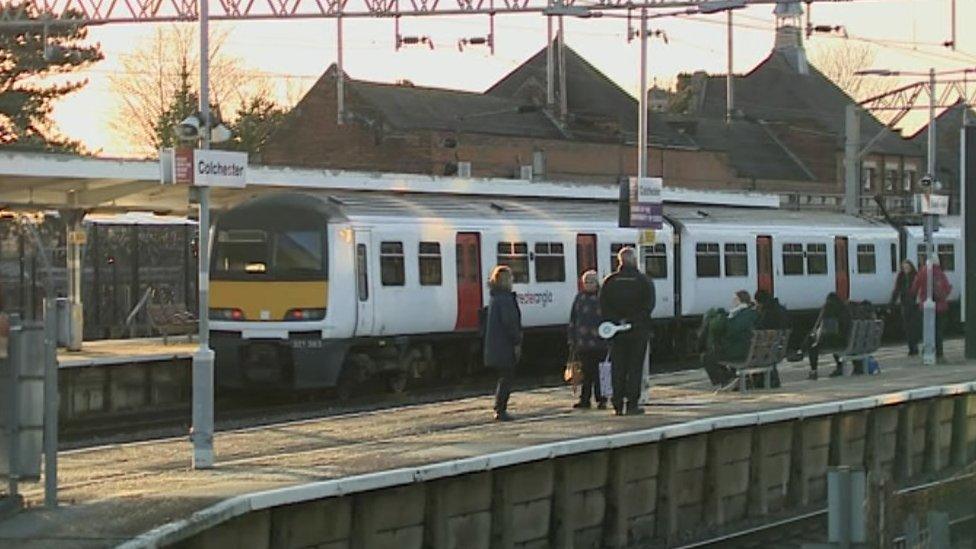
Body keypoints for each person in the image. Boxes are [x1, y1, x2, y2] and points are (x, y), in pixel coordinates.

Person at [599, 247, 655, 416]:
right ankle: (632, 404)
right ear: (634, 260)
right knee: (635, 368)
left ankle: (617, 404)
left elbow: (603, 306)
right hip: (637, 331)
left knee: (618, 368)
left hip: (616, 332)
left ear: (619, 261)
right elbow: (648, 306)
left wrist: (617, 321)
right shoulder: (644, 281)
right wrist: (632, 321)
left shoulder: (610, 281)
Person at [483, 265, 522, 421]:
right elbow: (510, 322)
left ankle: (499, 408)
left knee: (504, 376)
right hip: (505, 345)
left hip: (496, 345)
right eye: (511, 278)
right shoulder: (505, 299)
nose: (512, 280)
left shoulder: (494, 297)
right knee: (506, 377)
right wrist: (517, 341)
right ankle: (500, 409)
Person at [567, 270, 608, 410]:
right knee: (585, 373)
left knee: (600, 374)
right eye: (586, 282)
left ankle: (601, 399)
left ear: (597, 283)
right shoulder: (579, 298)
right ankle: (584, 400)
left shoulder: (603, 298)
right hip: (583, 342)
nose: (588, 284)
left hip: (600, 341)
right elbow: (573, 319)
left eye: (591, 281)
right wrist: (572, 339)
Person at [701, 290, 758, 387]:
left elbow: (732, 330)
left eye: (734, 299)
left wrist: (723, 319)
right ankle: (732, 379)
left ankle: (727, 380)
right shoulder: (748, 312)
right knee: (712, 353)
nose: (732, 301)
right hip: (745, 349)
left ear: (740, 300)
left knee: (706, 357)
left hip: (740, 351)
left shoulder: (744, 314)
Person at [910, 256, 952, 361]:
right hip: (940, 306)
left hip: (925, 306)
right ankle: (939, 354)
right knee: (939, 330)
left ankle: (928, 352)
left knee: (927, 330)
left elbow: (914, 287)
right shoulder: (940, 273)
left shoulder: (922, 272)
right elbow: (947, 288)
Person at [805, 292, 851, 380]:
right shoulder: (844, 310)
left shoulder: (828, 309)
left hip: (834, 343)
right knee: (812, 340)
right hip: (845, 341)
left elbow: (825, 331)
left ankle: (814, 371)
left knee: (812, 344)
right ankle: (839, 367)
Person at [753, 289, 789, 388]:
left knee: (754, 350)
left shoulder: (767, 313)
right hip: (779, 347)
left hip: (766, 349)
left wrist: (757, 313)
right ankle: (772, 380)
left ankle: (759, 382)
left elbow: (758, 328)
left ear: (760, 302)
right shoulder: (781, 309)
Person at [890, 260, 919, 356]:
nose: (906, 269)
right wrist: (892, 302)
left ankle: (915, 346)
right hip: (905, 304)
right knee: (907, 327)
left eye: (907, 267)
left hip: (915, 305)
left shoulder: (915, 276)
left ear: (911, 267)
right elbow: (897, 289)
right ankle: (911, 347)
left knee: (914, 326)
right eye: (904, 268)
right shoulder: (901, 277)